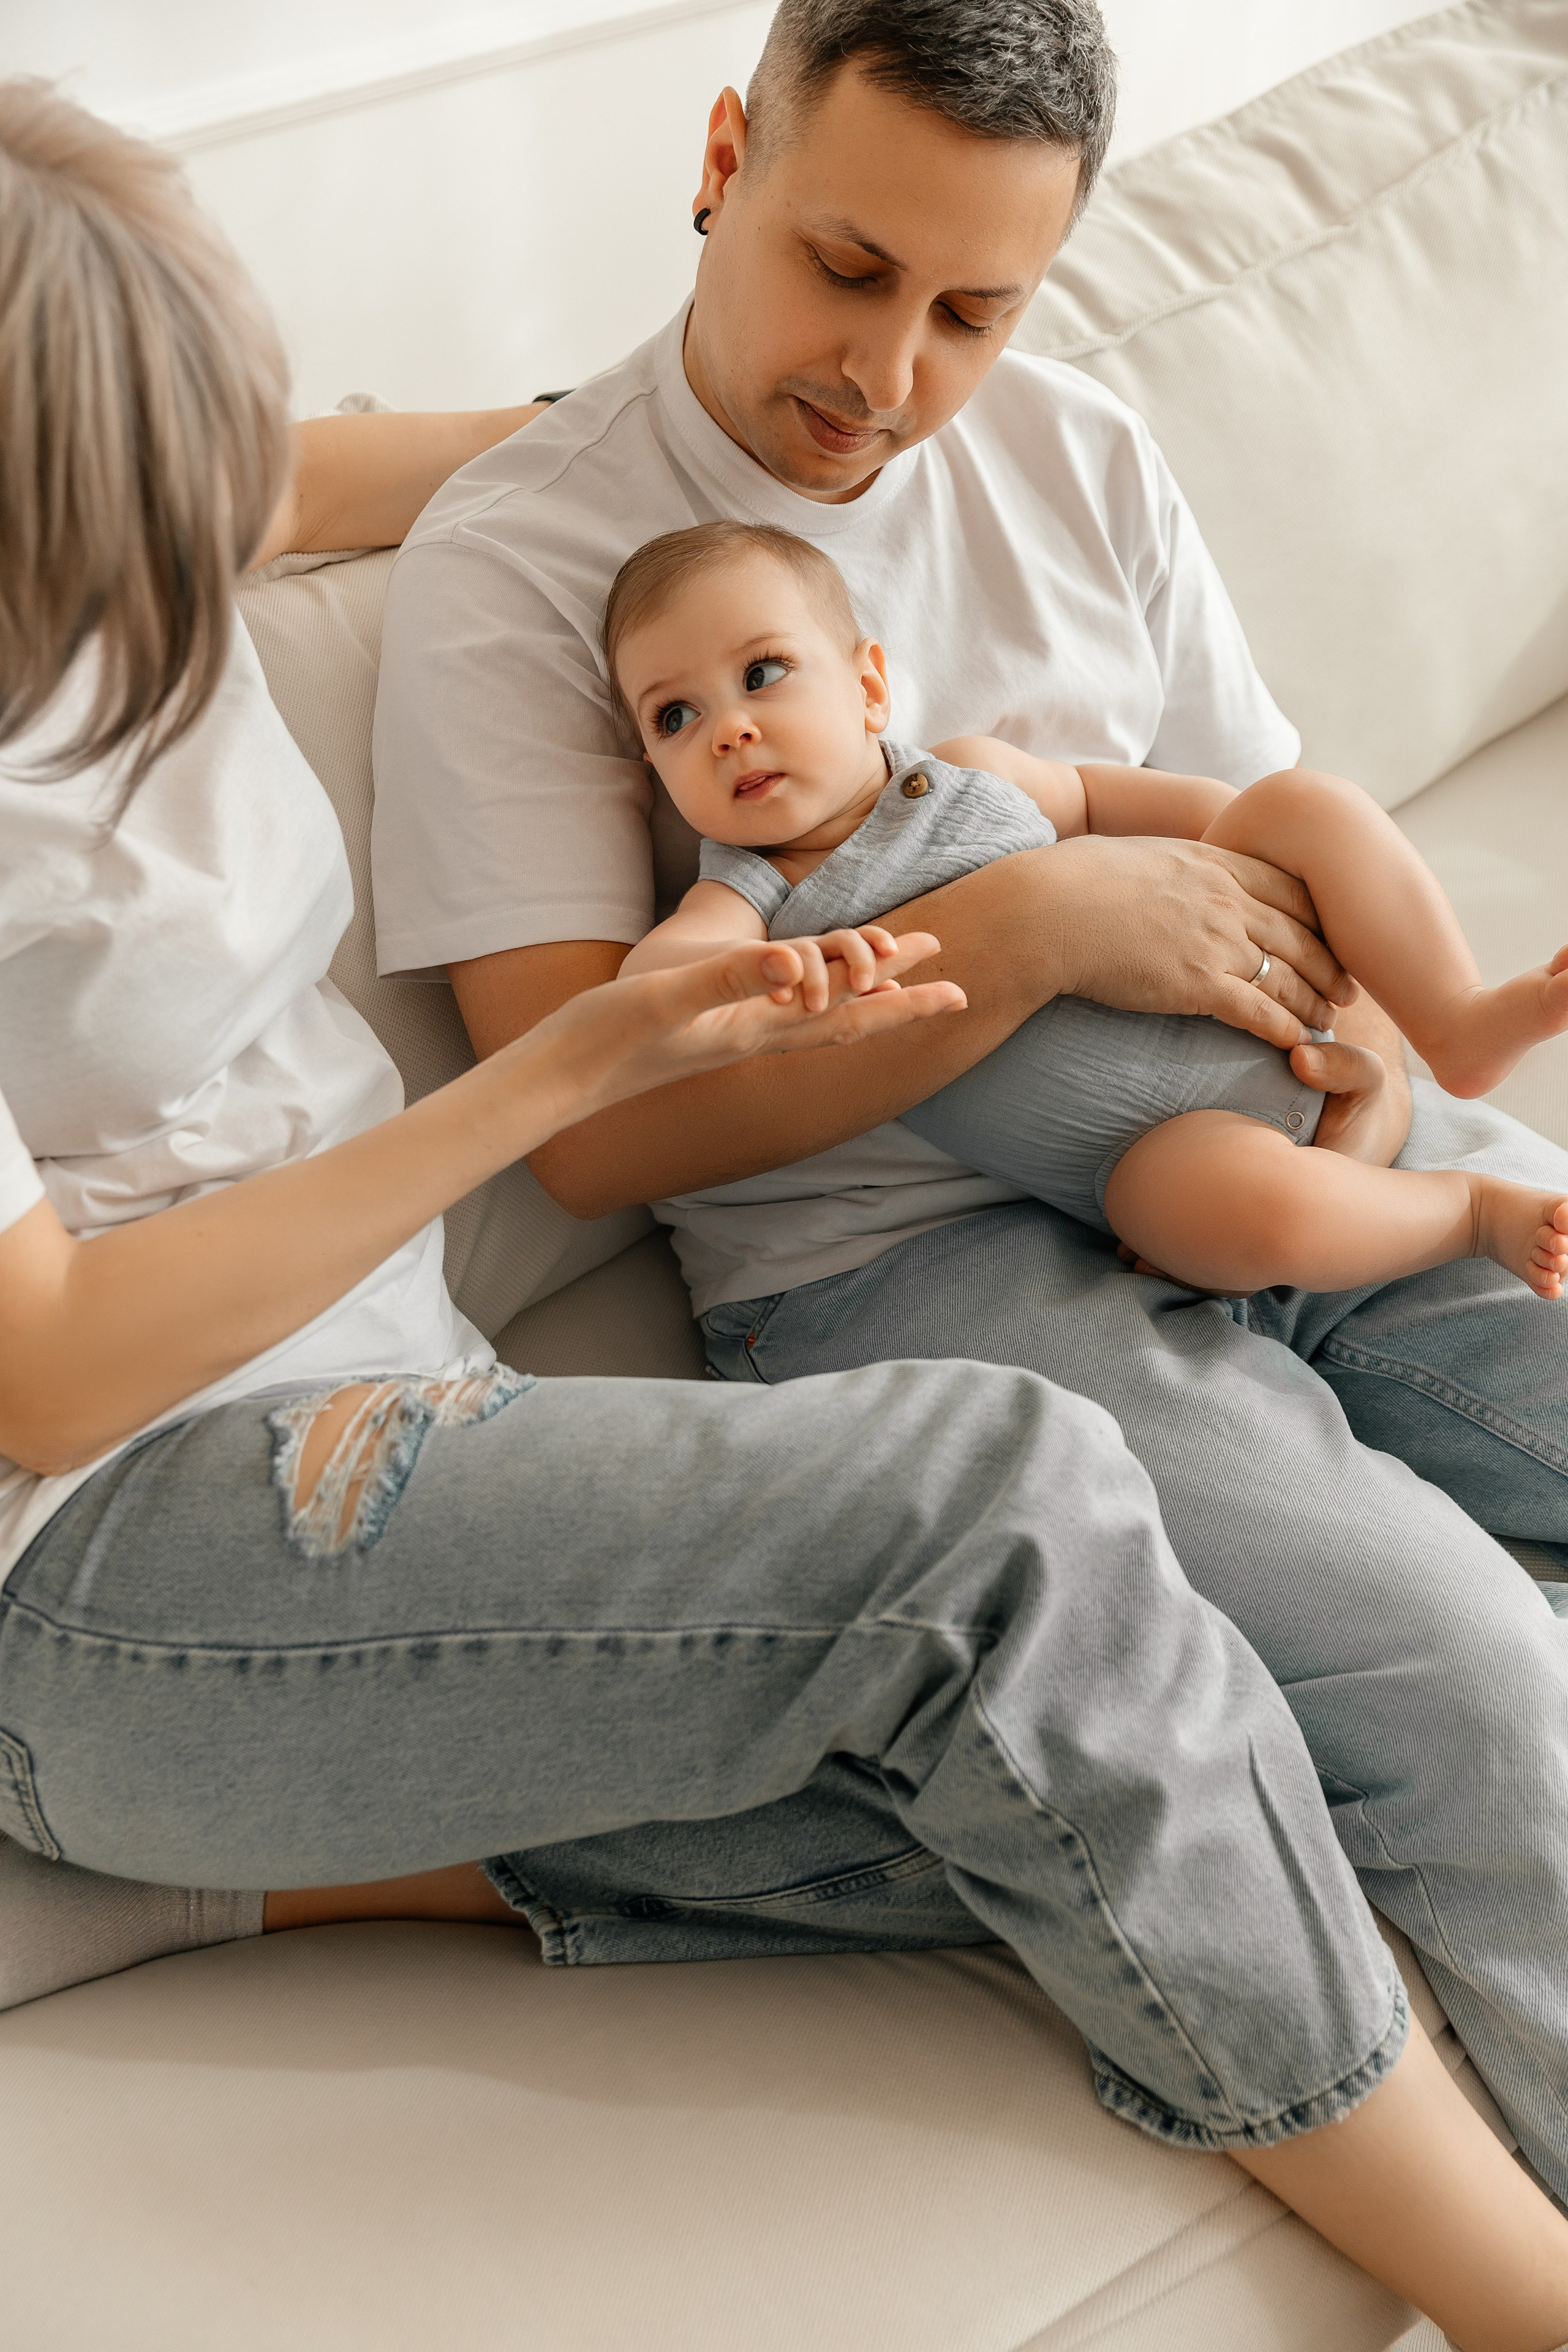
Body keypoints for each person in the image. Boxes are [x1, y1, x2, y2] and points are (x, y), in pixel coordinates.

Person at [9, 71, 1564, 2352]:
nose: (190, 560)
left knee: (1212, 1741)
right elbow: (42, 1361)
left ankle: (301, 1852)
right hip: (132, 1537)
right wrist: (571, 1060)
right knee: (1012, 1513)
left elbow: (424, 463)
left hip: (428, 1439)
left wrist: (706, 418)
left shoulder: (136, 499)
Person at [610, 519, 1568, 1300]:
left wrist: (1249, 850)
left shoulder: (971, 771)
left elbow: (1154, 808)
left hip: (1276, 1001)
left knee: (1301, 803)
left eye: (762, 674)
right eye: (674, 718)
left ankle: (1459, 1017)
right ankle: (1472, 1215)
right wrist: (750, 983)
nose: (730, 730)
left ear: (868, 688)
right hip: (1163, 1148)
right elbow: (653, 991)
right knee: (1240, 1220)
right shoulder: (754, 898)